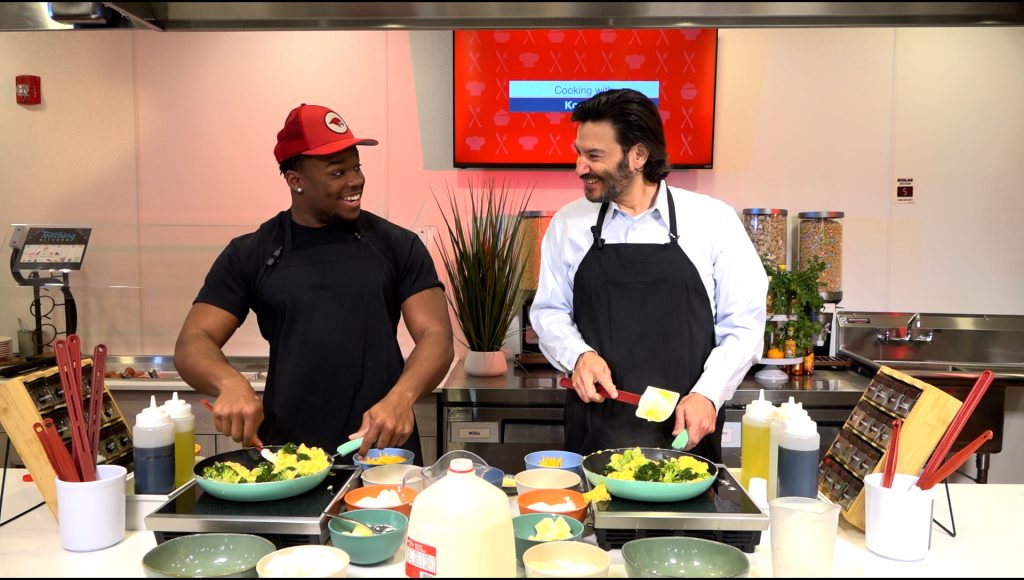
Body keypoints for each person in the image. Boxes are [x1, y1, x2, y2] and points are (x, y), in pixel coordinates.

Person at [174, 103, 454, 460]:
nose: (355, 180)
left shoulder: (396, 245)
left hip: (382, 452)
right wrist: (230, 383)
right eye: (337, 172)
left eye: (356, 167)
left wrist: (402, 398)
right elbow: (192, 342)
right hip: (289, 457)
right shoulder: (252, 252)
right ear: (295, 181)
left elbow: (437, 337)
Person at [530, 89, 767, 460]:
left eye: (594, 156)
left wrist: (708, 393)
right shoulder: (568, 224)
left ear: (638, 155)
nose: (579, 167)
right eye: (579, 153)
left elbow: (744, 326)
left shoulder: (713, 221)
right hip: (594, 431)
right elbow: (548, 311)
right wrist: (578, 356)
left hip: (686, 432)